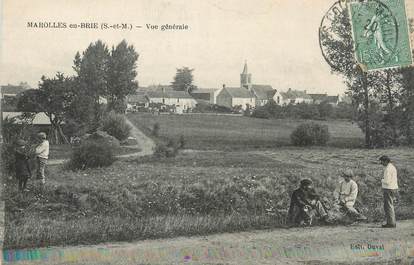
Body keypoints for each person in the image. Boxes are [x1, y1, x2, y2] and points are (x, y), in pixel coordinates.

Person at [379, 155, 398, 228]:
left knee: (388, 206)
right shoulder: (392, 167)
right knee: (390, 205)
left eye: (382, 161)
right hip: (393, 188)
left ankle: (391, 223)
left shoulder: (388, 169)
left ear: (386, 161)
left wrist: (381, 180)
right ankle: (391, 222)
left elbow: (387, 181)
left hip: (388, 188)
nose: (381, 163)